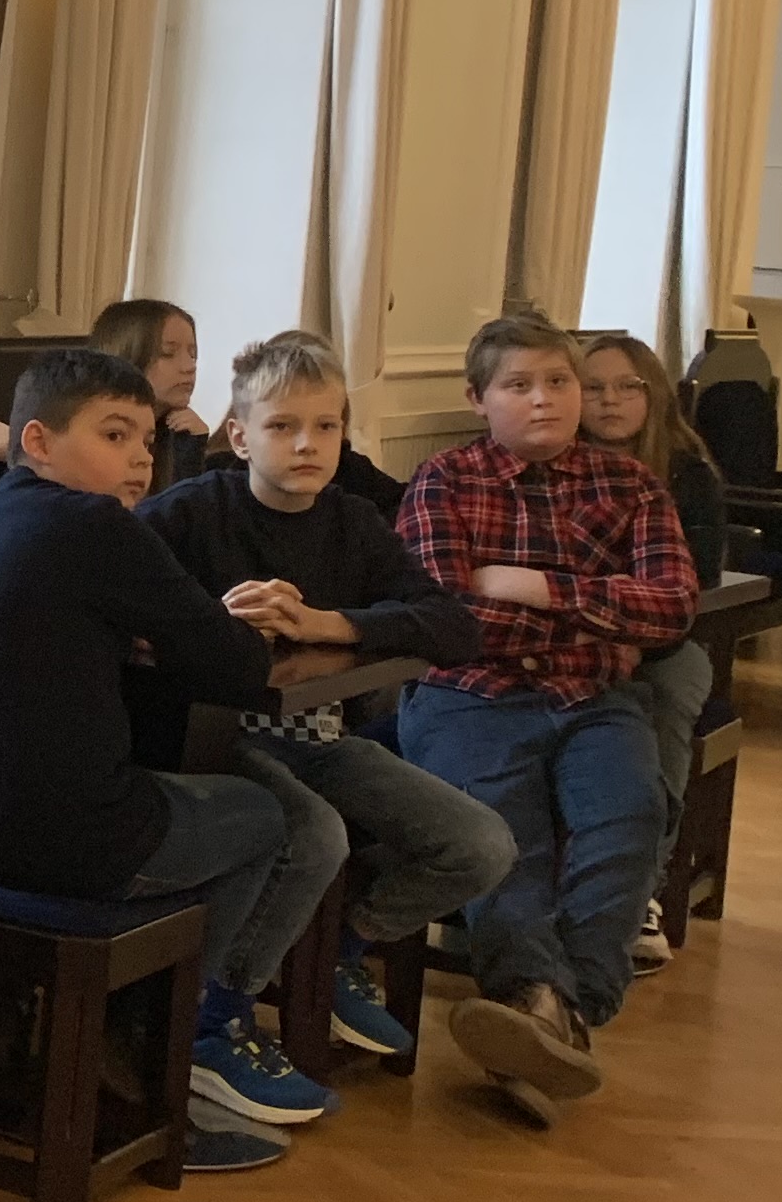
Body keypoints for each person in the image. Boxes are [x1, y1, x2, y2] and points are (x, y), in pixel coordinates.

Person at [0, 348, 330, 1158]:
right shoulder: (94, 524)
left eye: (146, 438)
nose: (141, 457)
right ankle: (174, 1054)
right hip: (72, 845)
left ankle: (103, 1036)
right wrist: (235, 625)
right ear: (38, 441)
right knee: (273, 817)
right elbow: (235, 666)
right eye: (114, 435)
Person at [138, 333, 516, 1062]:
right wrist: (212, 621)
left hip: (320, 739)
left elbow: (453, 627)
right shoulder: (188, 512)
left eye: (326, 426)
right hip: (217, 742)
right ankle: (216, 1016)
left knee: (480, 844)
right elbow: (117, 604)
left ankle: (341, 949)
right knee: (315, 835)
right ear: (240, 437)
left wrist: (326, 623)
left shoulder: (352, 522)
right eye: (282, 426)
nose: (307, 444)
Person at [395, 316, 698, 1124]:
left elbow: (672, 608)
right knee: (507, 836)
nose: (544, 400)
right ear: (478, 399)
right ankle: (547, 1008)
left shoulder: (631, 485)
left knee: (628, 816)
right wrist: (601, 613)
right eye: (519, 385)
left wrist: (535, 588)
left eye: (558, 382)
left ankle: (550, 1008)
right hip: (468, 695)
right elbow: (450, 619)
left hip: (594, 698)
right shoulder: (442, 481)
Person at [577, 328, 723, 975]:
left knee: (663, 706)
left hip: (666, 645)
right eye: (593, 388)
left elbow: (698, 581)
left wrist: (633, 630)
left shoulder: (688, 473)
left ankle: (642, 894)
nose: (610, 401)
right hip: (572, 636)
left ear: (654, 395)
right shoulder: (553, 463)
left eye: (627, 387)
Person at [86, 298, 218, 499]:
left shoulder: (177, 432)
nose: (189, 367)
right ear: (128, 356)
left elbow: (181, 514)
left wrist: (190, 451)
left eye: (193, 355)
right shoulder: (95, 435)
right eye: (168, 354)